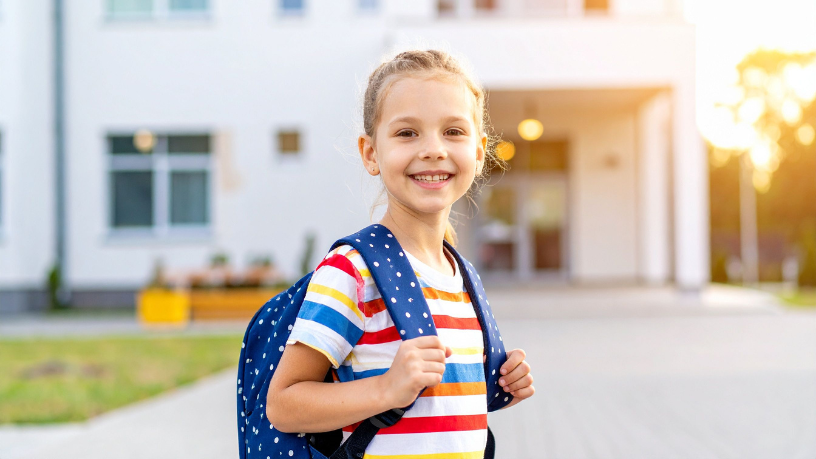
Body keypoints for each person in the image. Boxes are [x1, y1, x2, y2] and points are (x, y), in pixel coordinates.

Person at [266, 49, 534, 458]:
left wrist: (499, 386)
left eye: (454, 132)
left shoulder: (462, 275)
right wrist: (385, 388)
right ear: (371, 153)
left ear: (479, 152)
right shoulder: (352, 273)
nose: (432, 149)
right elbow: (283, 405)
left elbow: (441, 414)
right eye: (407, 133)